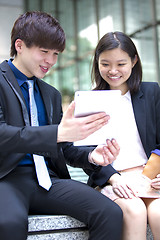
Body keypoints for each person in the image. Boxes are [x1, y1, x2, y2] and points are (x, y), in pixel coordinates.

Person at [0, 12, 123, 240]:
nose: (51, 61)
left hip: (47, 179)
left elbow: (63, 147)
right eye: (44, 51)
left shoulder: (50, 94)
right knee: (9, 224)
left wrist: (92, 157)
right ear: (19, 45)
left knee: (110, 212)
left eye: (55, 53)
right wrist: (58, 132)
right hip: (6, 179)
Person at [86, 31, 160, 240]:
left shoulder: (151, 92)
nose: (113, 71)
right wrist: (113, 178)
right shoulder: (90, 101)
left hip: (149, 178)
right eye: (105, 63)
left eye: (121, 63)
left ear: (134, 61)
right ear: (97, 63)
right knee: (135, 211)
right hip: (113, 180)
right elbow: (84, 152)